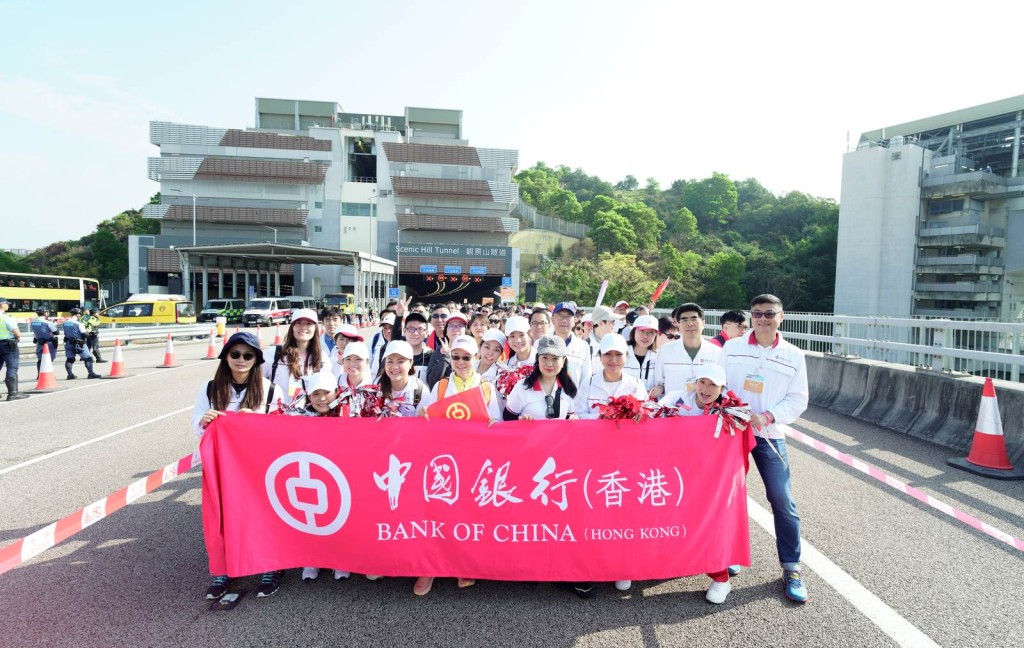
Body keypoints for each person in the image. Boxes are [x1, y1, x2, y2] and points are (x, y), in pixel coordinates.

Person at [719, 294, 809, 603]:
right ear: (750, 317)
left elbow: (798, 398)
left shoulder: (793, 355)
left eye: (770, 313)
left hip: (769, 434)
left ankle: (792, 567)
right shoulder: (732, 348)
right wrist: (732, 408)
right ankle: (729, 554)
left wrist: (768, 416)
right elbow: (717, 384)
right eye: (757, 313)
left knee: (782, 500)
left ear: (781, 317)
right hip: (732, 433)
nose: (763, 319)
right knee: (728, 496)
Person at [192, 331, 276, 599]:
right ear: (226, 356)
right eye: (235, 354)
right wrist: (204, 421)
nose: (241, 359)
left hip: (259, 465)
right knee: (224, 516)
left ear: (256, 360)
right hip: (222, 466)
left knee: (263, 514)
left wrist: (256, 421)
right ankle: (224, 568)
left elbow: (281, 427)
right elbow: (196, 425)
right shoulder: (209, 388)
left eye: (248, 355)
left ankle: (270, 566)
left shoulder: (270, 389)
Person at [658, 363, 739, 604]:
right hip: (673, 475)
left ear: (722, 388)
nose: (706, 389)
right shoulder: (676, 398)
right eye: (702, 382)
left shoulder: (729, 410)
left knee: (710, 525)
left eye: (713, 384)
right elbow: (652, 421)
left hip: (708, 480)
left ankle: (721, 578)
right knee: (663, 520)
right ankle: (644, 565)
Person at [262, 308, 332, 411]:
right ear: (292, 327)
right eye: (298, 323)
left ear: (315, 328)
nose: (303, 327)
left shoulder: (322, 358)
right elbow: (255, 383)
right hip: (276, 415)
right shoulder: (273, 354)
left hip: (308, 416)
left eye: (308, 323)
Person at [650, 303, 720, 401]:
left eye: (694, 319)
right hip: (673, 408)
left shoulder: (717, 353)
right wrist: (660, 388)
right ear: (678, 324)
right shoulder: (666, 351)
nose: (690, 323)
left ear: (703, 323)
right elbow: (660, 383)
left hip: (704, 409)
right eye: (684, 320)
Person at [503, 335, 578, 421]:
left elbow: (568, 417)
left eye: (555, 358)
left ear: (563, 361)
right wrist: (521, 421)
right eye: (544, 357)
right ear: (537, 359)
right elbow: (507, 417)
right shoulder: (522, 387)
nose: (549, 364)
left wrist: (573, 419)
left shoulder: (568, 389)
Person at [425, 312, 470, 388]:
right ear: (446, 331)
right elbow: (431, 382)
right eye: (451, 326)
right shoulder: (437, 353)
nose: (455, 329)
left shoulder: (471, 352)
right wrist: (445, 358)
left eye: (460, 326)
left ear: (465, 330)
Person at [0, 297, 29, 400]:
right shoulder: (7, 317)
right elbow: (17, 332)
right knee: (12, 367)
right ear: (1, 305)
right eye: (6, 303)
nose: (8, 305)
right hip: (7, 345)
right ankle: (13, 393)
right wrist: (17, 337)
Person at [61, 307, 101, 380]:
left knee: (70, 359)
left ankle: (70, 375)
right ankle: (91, 374)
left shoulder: (64, 323)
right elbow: (84, 334)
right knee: (88, 358)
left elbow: (65, 333)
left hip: (69, 343)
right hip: (79, 344)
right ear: (78, 315)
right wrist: (89, 334)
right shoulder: (79, 323)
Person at [625, 315, 659, 391]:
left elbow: (663, 381)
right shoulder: (622, 352)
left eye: (650, 332)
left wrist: (660, 388)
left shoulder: (658, 356)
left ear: (656, 335)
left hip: (649, 398)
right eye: (642, 331)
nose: (645, 336)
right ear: (634, 331)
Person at [587, 305, 623, 371]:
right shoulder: (585, 345)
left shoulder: (618, 342)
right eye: (612, 321)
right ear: (601, 323)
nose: (614, 324)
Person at [30, 307, 58, 377]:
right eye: (47, 312)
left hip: (39, 342)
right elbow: (56, 332)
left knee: (40, 359)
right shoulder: (47, 322)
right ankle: (48, 375)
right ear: (45, 313)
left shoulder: (33, 322)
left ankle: (39, 374)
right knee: (49, 359)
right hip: (49, 343)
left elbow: (35, 332)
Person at [369, 312, 396, 377]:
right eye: (385, 328)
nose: (388, 331)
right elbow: (374, 373)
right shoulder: (381, 350)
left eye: (391, 327)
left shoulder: (407, 347)